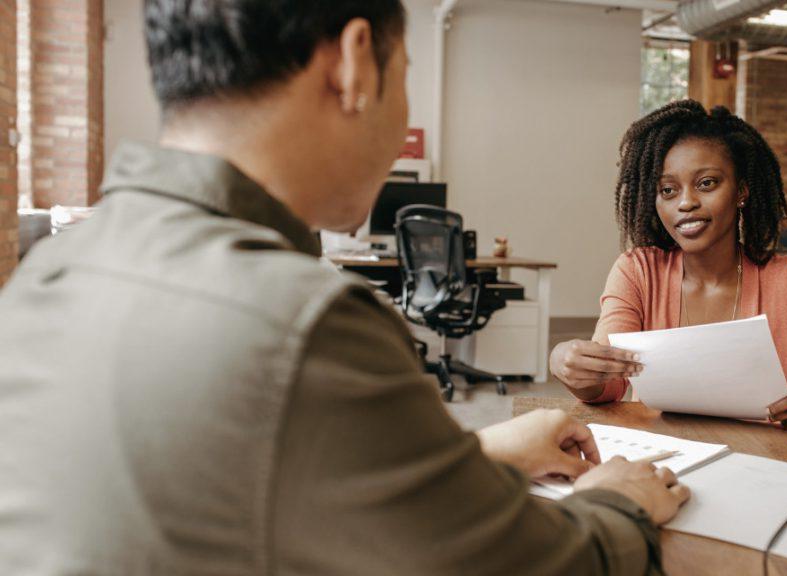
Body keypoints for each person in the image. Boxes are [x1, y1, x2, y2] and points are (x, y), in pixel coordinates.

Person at [0, 1, 689, 574]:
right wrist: (617, 498)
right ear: (356, 61)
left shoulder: (45, 280)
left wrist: (470, 455)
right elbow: (537, 566)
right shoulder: (303, 325)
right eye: (408, 74)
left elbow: (208, 479)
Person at [550, 100, 787, 437]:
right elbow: (609, 385)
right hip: (659, 462)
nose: (685, 203)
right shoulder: (638, 272)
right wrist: (566, 364)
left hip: (768, 464)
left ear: (741, 191)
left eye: (706, 183)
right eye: (667, 190)